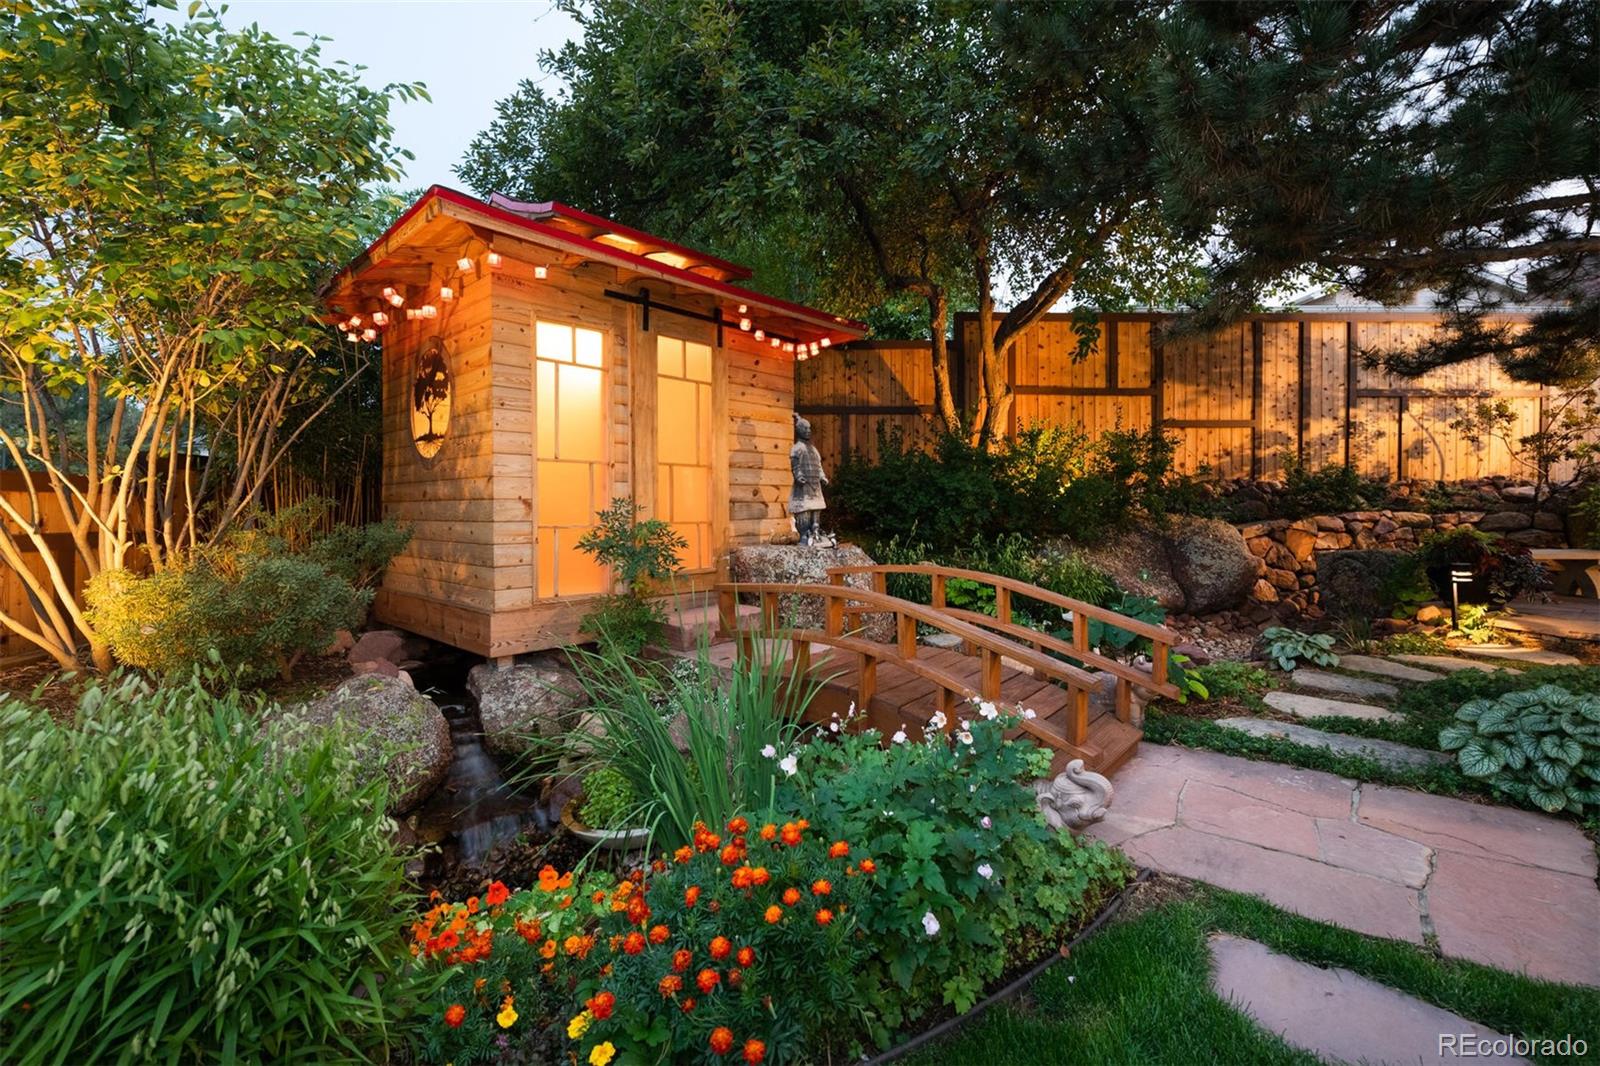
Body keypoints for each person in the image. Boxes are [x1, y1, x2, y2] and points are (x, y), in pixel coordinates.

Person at [788, 414, 829, 546]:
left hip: (815, 487)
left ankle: (815, 533)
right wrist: (798, 476)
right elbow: (795, 466)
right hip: (803, 487)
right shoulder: (797, 448)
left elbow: (818, 466)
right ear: (799, 430)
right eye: (805, 429)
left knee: (816, 511)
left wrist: (822, 477)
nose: (808, 431)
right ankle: (804, 535)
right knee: (803, 511)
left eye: (809, 429)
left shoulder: (814, 450)